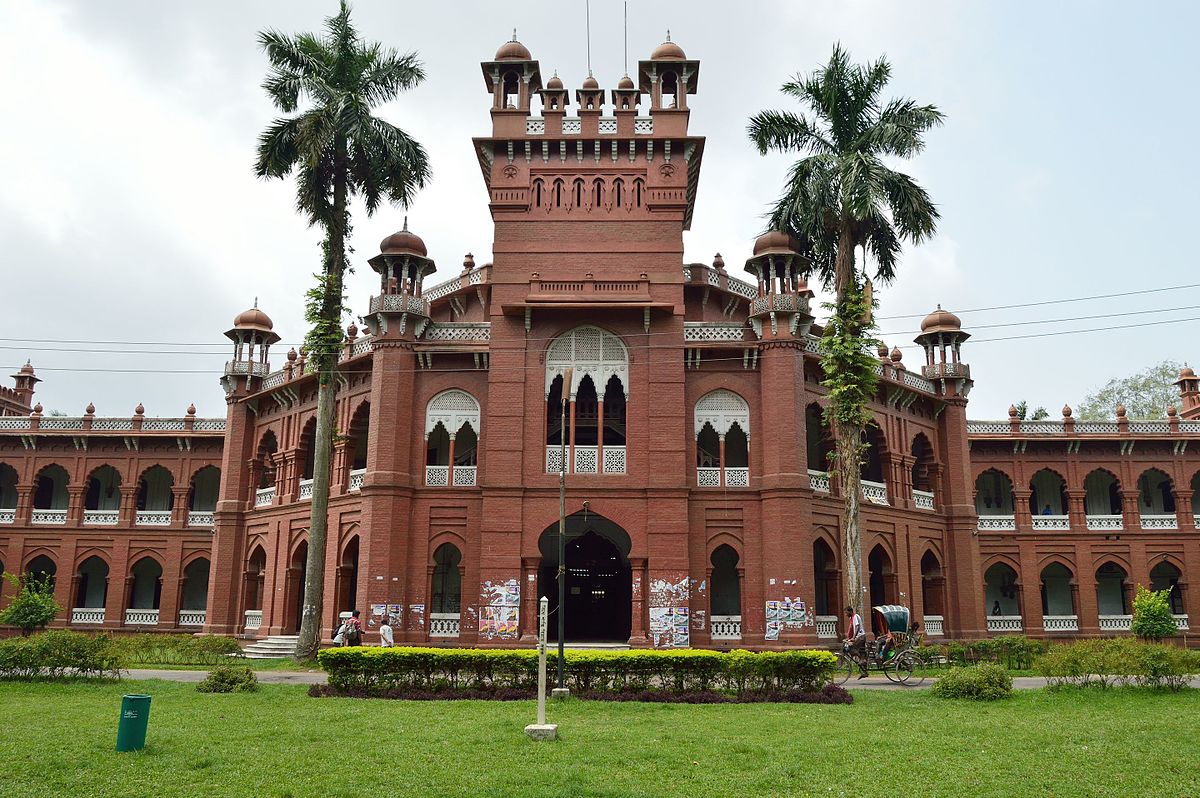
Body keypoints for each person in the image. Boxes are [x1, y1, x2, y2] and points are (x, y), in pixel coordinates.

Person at [843, 605, 867, 678]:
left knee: (851, 647)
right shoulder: (851, 618)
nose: (845, 614)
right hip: (859, 637)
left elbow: (857, 627)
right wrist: (848, 638)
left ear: (850, 611)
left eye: (846, 613)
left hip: (860, 637)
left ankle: (863, 660)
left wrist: (853, 638)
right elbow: (851, 629)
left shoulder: (855, 616)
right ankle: (864, 672)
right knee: (862, 652)